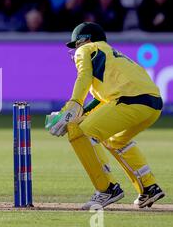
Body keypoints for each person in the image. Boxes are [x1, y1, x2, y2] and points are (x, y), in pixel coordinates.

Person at [46, 22, 165, 210]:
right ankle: (149, 187)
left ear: (85, 40)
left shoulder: (87, 49)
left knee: (81, 130)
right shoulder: (112, 56)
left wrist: (73, 106)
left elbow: (83, 77)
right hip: (154, 104)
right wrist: (76, 112)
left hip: (129, 101)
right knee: (115, 140)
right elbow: (103, 101)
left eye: (76, 44)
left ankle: (107, 188)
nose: (75, 49)